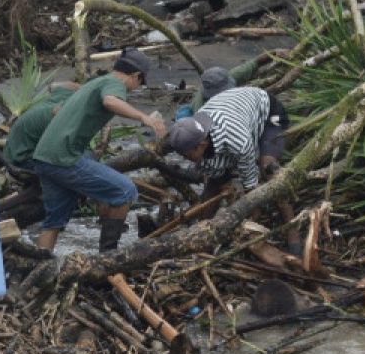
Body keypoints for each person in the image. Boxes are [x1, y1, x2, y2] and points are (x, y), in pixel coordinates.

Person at [26, 48, 168, 253]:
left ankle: (38, 271)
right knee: (125, 191)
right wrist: (144, 118)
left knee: (53, 222)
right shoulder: (114, 83)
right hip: (63, 158)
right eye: (140, 83)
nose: (134, 89)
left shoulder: (93, 83)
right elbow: (110, 101)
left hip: (44, 156)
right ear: (136, 76)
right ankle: (107, 258)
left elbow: (59, 110)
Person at [165, 86, 300, 253]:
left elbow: (251, 185)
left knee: (268, 168)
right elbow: (213, 176)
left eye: (187, 155)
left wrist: (250, 215)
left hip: (268, 112)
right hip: (237, 113)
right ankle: (202, 239)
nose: (185, 159)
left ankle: (293, 231)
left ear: (201, 145)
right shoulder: (196, 129)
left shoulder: (236, 139)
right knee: (215, 180)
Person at [2, 81, 81, 168]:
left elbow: (52, 86)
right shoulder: (68, 110)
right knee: (82, 159)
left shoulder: (70, 92)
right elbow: (56, 112)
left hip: (13, 148)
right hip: (21, 158)